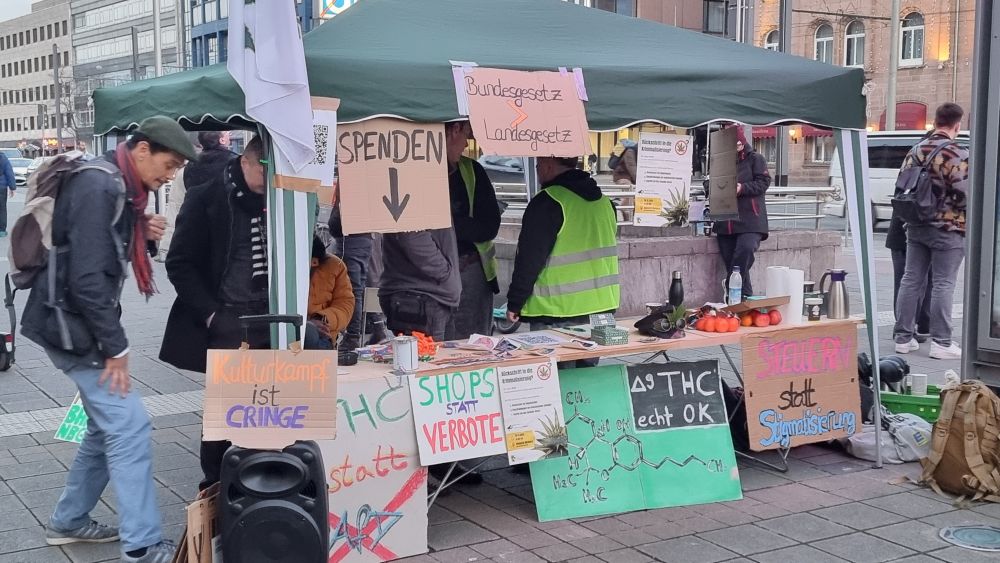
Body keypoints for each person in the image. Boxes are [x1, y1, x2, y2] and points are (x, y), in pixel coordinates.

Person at [19, 116, 194, 563]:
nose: (170, 175)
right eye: (169, 164)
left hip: (68, 319)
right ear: (142, 149)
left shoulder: (116, 180)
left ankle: (70, 520)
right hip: (72, 326)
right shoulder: (101, 185)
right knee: (130, 426)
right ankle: (142, 546)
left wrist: (139, 229)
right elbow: (87, 278)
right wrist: (115, 348)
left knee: (105, 426)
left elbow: (93, 245)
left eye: (176, 169)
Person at [159, 135, 270, 489]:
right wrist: (212, 315)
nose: (269, 180)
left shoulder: (281, 199)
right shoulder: (207, 197)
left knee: (272, 408)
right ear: (245, 161)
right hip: (228, 319)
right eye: (264, 171)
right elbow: (179, 263)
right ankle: (215, 487)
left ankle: (267, 480)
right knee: (224, 413)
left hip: (273, 319)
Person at [506, 156, 619, 362]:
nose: (537, 170)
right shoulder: (606, 203)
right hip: (603, 310)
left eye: (538, 165)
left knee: (556, 377)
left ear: (548, 165)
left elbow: (529, 259)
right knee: (590, 377)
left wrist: (515, 302)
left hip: (557, 312)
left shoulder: (547, 202)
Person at [894, 103, 969, 360]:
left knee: (911, 279)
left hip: (916, 224)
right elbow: (964, 193)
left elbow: (902, 183)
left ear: (936, 122)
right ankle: (941, 342)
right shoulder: (957, 152)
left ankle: (903, 338)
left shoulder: (916, 150)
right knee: (943, 283)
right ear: (957, 125)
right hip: (948, 227)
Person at [443, 121, 501, 340]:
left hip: (469, 275)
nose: (467, 144)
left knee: (472, 345)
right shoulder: (417, 171)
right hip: (427, 280)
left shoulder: (472, 171)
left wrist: (446, 224)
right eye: (466, 134)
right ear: (454, 130)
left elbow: (489, 226)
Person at [712, 127, 770, 299]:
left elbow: (764, 182)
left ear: (742, 143)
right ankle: (743, 301)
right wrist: (711, 187)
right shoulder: (720, 160)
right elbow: (710, 181)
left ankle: (730, 285)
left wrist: (742, 188)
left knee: (745, 250)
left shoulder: (756, 159)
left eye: (737, 145)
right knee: (735, 264)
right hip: (725, 221)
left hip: (751, 219)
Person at [886, 210, 932, 343]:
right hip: (906, 237)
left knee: (929, 283)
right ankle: (904, 330)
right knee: (910, 283)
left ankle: (922, 327)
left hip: (926, 235)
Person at [306, 235, 355, 350]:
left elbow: (345, 305)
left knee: (311, 337)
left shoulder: (335, 265)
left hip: (322, 335)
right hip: (289, 330)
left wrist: (321, 319)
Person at [0, 151, 15, 237]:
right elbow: (9, 173)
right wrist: (12, 187)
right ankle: (2, 231)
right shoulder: (3, 158)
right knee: (2, 208)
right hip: (1, 187)